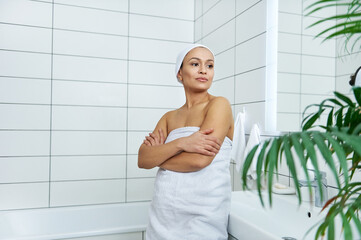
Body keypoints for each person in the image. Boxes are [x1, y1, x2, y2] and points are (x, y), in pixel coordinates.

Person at [138, 44, 234, 240]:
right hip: (164, 213)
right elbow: (142, 159)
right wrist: (181, 144)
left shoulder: (219, 105)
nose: (203, 71)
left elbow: (199, 161)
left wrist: (159, 157)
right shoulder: (169, 117)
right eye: (195, 64)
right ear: (180, 73)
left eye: (209, 66)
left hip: (202, 213)